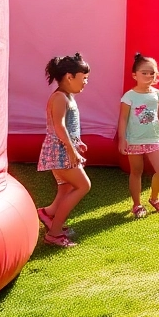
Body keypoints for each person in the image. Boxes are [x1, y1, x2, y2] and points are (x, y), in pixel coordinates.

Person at [36, 53, 92, 248]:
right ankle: (54, 233)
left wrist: (77, 142)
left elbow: (68, 126)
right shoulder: (60, 97)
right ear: (69, 76)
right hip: (60, 152)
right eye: (83, 78)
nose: (86, 82)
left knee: (66, 187)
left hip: (63, 149)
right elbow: (59, 126)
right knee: (83, 185)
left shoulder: (68, 96)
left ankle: (48, 214)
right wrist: (71, 149)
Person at [117, 54, 159, 218]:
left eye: (152, 73)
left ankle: (154, 197)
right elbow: (123, 118)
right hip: (134, 139)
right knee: (136, 171)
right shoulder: (129, 96)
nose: (149, 76)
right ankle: (136, 204)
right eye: (145, 73)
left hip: (154, 138)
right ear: (134, 75)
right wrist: (123, 139)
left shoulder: (157, 94)